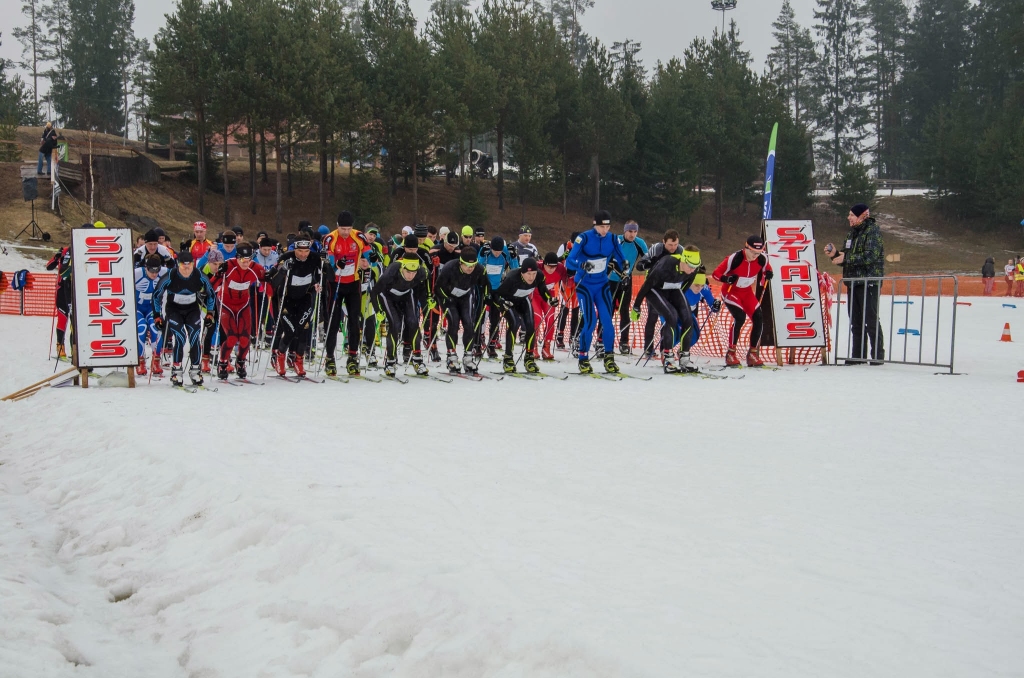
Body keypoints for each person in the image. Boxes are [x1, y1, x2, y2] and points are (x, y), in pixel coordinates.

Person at [565, 210, 627, 374]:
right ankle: (583, 358)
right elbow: (569, 261)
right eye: (601, 226)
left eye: (607, 226)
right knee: (590, 322)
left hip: (602, 285)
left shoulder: (613, 239)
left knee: (608, 323)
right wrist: (581, 265)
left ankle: (609, 359)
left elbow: (621, 258)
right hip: (584, 285)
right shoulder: (584, 238)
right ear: (594, 224)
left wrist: (625, 268)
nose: (604, 230)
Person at [824, 203, 884, 365]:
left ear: (862, 216)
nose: (848, 217)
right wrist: (835, 254)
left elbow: (870, 256)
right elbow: (847, 256)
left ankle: (877, 355)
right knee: (856, 320)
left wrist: (846, 258)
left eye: (852, 215)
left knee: (870, 319)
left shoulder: (872, 231)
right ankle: (858, 355)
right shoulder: (852, 233)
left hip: (869, 281)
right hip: (853, 282)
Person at [268, 238, 332, 378]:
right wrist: (283, 269)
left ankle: (298, 360)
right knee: (290, 332)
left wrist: (326, 263)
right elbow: (273, 283)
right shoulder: (286, 257)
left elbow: (330, 277)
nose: (303, 254)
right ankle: (280, 357)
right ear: (294, 249)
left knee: (304, 331)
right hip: (287, 299)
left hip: (305, 298)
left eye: (306, 251)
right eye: (300, 251)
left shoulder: (314, 258)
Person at [153, 250, 216, 387]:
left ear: (193, 264)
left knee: (195, 337)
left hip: (192, 309)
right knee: (180, 337)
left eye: (189, 266)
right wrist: (157, 316)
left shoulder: (198, 275)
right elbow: (156, 295)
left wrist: (210, 313)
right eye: (183, 267)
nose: (187, 270)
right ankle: (176, 370)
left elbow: (211, 294)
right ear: (178, 264)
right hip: (174, 309)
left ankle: (195, 370)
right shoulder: (171, 275)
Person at [631, 248, 700, 373]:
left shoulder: (693, 270)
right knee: (671, 317)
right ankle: (668, 357)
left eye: (696, 266)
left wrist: (679, 305)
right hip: (654, 289)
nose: (692, 270)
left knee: (688, 319)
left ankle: (685, 358)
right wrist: (636, 306)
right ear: (683, 260)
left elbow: (684, 288)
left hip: (673, 289)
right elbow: (647, 284)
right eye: (690, 266)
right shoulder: (667, 264)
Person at [322, 211, 371, 376]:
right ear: (337, 226)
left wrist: (366, 261)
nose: (345, 232)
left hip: (353, 283)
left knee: (354, 322)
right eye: (343, 228)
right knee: (333, 322)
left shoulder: (358, 236)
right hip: (335, 284)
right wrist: (337, 264)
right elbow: (328, 263)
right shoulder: (330, 238)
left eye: (348, 228)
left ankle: (352, 357)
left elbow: (368, 254)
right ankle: (329, 358)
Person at [713, 235, 774, 367]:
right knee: (739, 317)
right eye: (752, 252)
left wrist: (768, 273)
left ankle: (752, 353)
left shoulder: (762, 258)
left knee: (758, 317)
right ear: (746, 247)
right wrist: (726, 278)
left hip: (746, 293)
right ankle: (731, 353)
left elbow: (767, 269)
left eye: (758, 253)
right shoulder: (734, 258)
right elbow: (716, 273)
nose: (755, 255)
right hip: (730, 291)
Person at [370, 254, 430, 378]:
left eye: (414, 273)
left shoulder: (421, 272)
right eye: (408, 272)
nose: (411, 276)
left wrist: (429, 296)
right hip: (387, 296)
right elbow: (375, 291)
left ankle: (417, 360)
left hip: (406, 294)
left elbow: (428, 279)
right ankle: (390, 362)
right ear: (402, 267)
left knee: (413, 323)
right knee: (395, 325)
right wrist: (378, 310)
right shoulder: (392, 271)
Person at [210, 243, 264, 380]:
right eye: (242, 260)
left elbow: (267, 281)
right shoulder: (228, 265)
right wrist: (207, 294)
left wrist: (270, 281)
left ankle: (241, 362)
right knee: (232, 337)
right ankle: (222, 363)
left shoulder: (255, 268)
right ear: (237, 258)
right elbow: (213, 283)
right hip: (226, 303)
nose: (246, 263)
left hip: (243, 304)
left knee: (245, 339)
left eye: (248, 260)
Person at [491, 257, 553, 374]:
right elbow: (497, 295)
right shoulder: (512, 278)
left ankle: (529, 359)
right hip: (507, 301)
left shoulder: (539, 276)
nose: (531, 277)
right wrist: (502, 303)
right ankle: (508, 358)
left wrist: (550, 300)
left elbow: (543, 289)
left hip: (522, 300)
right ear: (522, 272)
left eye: (533, 273)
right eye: (528, 274)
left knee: (530, 326)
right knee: (514, 324)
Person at [435, 244, 490, 374]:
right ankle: (452, 357)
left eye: (473, 266)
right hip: (449, 297)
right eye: (467, 265)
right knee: (453, 323)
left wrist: (487, 295)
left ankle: (468, 357)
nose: (470, 268)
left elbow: (486, 284)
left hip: (465, 296)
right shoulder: (449, 267)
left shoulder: (479, 269)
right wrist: (444, 298)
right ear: (460, 263)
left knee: (469, 324)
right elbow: (438, 288)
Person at [635, 230, 682, 360]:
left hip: (670, 288)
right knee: (652, 317)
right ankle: (648, 349)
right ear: (664, 242)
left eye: (675, 244)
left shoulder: (681, 251)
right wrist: (646, 264)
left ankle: (664, 349)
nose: (673, 248)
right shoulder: (656, 249)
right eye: (670, 245)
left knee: (667, 318)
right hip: (653, 288)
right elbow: (641, 264)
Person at [609, 220, 648, 354]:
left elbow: (647, 259)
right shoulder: (617, 240)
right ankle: (602, 340)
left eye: (635, 231)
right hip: (611, 279)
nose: (632, 234)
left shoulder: (639, 243)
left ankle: (624, 342)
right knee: (608, 309)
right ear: (624, 231)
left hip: (627, 280)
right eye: (630, 231)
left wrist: (647, 266)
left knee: (625, 310)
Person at [477, 236, 519, 358]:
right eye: (495, 251)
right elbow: (477, 267)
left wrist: (514, 257)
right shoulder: (485, 251)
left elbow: (515, 269)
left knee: (495, 318)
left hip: (497, 290)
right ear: (491, 248)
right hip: (483, 288)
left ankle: (492, 345)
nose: (497, 254)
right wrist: (481, 256)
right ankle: (477, 344)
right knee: (480, 317)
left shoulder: (505, 252)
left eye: (499, 252)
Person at [134, 254, 167, 377]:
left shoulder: (163, 272)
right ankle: (140, 361)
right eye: (151, 271)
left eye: (157, 271)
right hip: (138, 308)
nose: (154, 274)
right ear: (146, 268)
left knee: (156, 328)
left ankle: (156, 360)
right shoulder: (137, 273)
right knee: (141, 328)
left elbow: (179, 273)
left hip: (152, 308)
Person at [683, 266, 721, 360]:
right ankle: (666, 353)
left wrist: (716, 306)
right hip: (675, 311)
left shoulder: (704, 288)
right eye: (696, 285)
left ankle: (683, 353)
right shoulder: (683, 286)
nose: (699, 288)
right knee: (675, 333)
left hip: (689, 312)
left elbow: (712, 305)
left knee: (694, 336)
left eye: (701, 285)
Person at [535, 252, 568, 360]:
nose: (551, 269)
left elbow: (568, 282)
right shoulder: (538, 266)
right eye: (549, 266)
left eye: (554, 266)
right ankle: (533, 346)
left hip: (549, 296)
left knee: (550, 320)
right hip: (535, 295)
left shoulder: (560, 268)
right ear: (544, 264)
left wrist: (574, 273)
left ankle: (546, 347)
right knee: (537, 318)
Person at [45, 239, 74, 360]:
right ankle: (60, 349)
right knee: (63, 317)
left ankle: (75, 352)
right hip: (62, 289)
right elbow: (49, 266)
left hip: (75, 290)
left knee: (75, 321)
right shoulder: (66, 251)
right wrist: (57, 256)